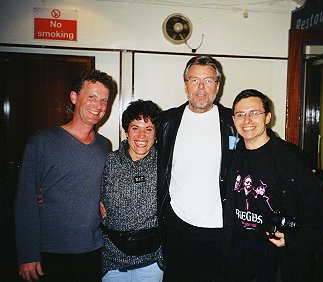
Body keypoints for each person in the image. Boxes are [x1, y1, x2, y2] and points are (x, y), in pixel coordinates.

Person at [15, 69, 115, 282]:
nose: (98, 105)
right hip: (51, 252)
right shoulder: (42, 142)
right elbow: (25, 200)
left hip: (92, 249)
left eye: (104, 100)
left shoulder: (104, 145)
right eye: (91, 97)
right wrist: (27, 254)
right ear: (74, 97)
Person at [226, 89, 323, 282]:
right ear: (234, 120)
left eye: (254, 113)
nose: (247, 120)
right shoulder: (231, 157)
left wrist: (293, 241)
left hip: (274, 255)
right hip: (239, 252)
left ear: (267, 117)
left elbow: (319, 209)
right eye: (240, 114)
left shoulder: (289, 158)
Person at [157, 55, 237, 281]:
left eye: (208, 80)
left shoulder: (233, 122)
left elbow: (264, 145)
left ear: (218, 86)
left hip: (220, 229)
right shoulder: (167, 121)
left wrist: (296, 165)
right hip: (177, 227)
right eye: (194, 80)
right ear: (185, 84)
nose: (201, 87)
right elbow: (136, 150)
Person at [100, 99, 164, 282]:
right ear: (126, 132)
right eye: (135, 128)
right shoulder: (108, 162)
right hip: (113, 262)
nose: (142, 135)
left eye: (149, 129)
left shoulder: (164, 164)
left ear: (156, 134)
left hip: (152, 262)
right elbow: (83, 188)